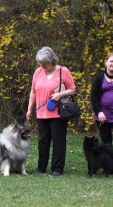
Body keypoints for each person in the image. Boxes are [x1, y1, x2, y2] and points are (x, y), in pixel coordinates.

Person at [26, 46, 76, 176]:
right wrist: (29, 108)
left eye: (45, 63)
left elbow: (72, 89)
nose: (42, 66)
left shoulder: (63, 71)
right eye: (40, 63)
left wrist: (59, 95)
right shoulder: (38, 72)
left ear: (52, 60)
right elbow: (33, 91)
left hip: (58, 112)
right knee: (43, 141)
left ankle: (57, 168)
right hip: (41, 112)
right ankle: (41, 167)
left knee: (58, 140)